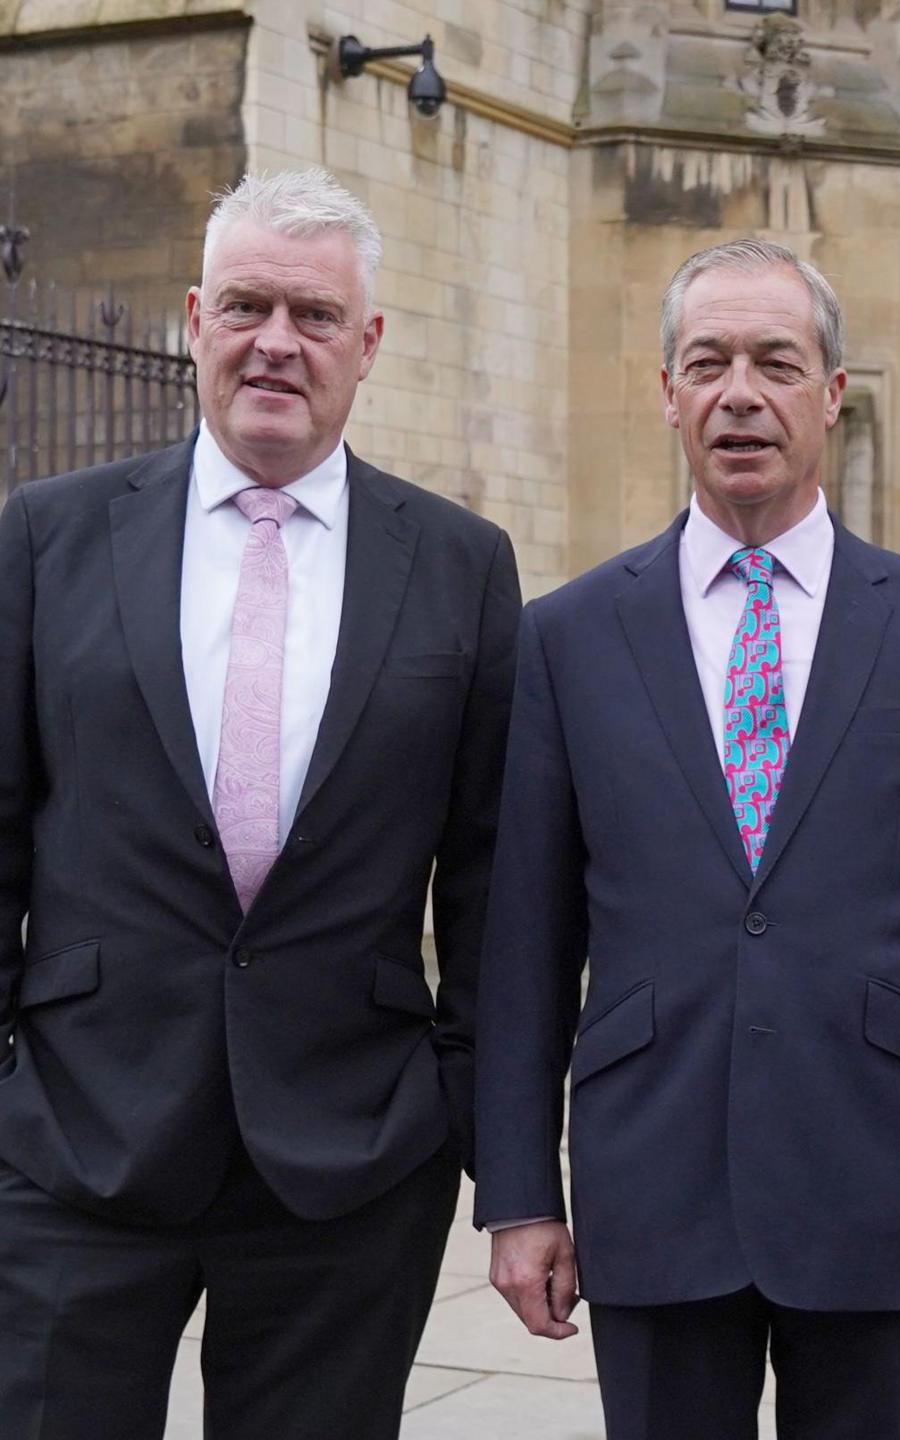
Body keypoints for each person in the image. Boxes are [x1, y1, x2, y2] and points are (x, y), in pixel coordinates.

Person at [472, 238, 900, 1439]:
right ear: (668, 394)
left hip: (885, 1189)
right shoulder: (571, 637)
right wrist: (522, 1197)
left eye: (776, 362)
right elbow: (525, 946)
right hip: (653, 1185)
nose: (740, 391)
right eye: (708, 362)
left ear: (831, 394)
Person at [0, 169, 520, 1438]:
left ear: (370, 343)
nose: (275, 343)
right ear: (192, 318)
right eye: (245, 306)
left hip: (348, 1167)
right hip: (75, 1144)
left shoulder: (459, 565)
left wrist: (460, 1113)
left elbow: (495, 877)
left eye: (314, 315)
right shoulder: (46, 538)